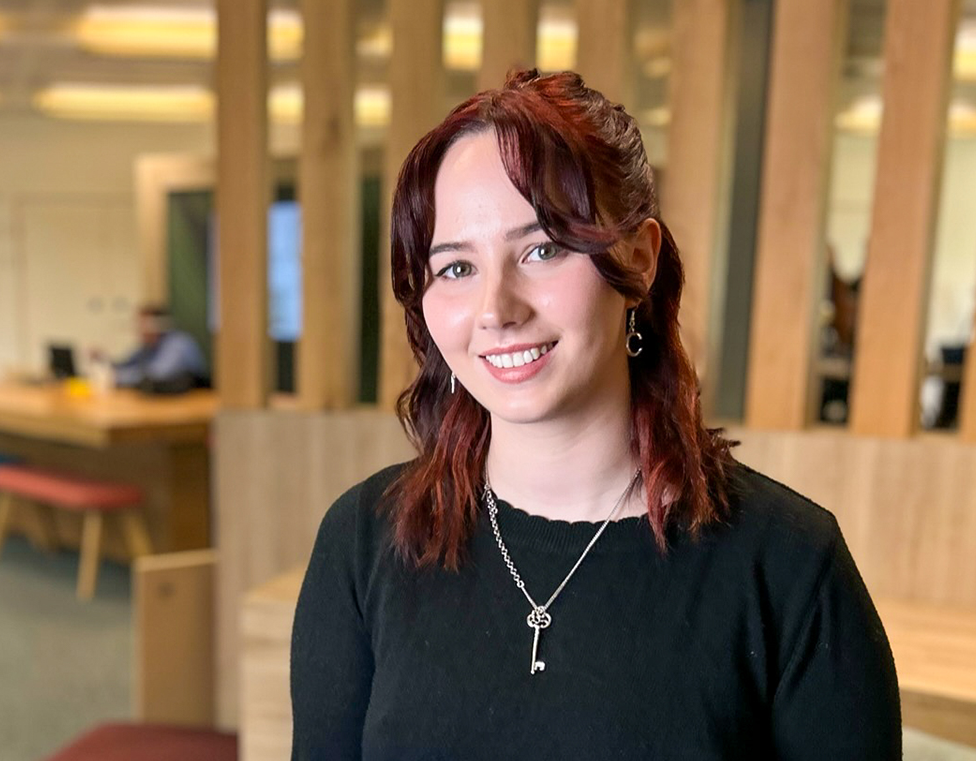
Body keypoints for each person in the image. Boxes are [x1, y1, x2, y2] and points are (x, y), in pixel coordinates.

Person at [290, 70, 898, 759]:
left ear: (636, 259)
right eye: (455, 268)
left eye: (542, 249)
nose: (496, 309)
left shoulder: (786, 563)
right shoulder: (362, 541)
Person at [108, 305, 208, 392]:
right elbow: (126, 363)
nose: (139, 329)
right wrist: (105, 361)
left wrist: (117, 377)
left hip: (192, 404)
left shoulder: (177, 343)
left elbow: (156, 375)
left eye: (143, 324)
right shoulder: (149, 346)